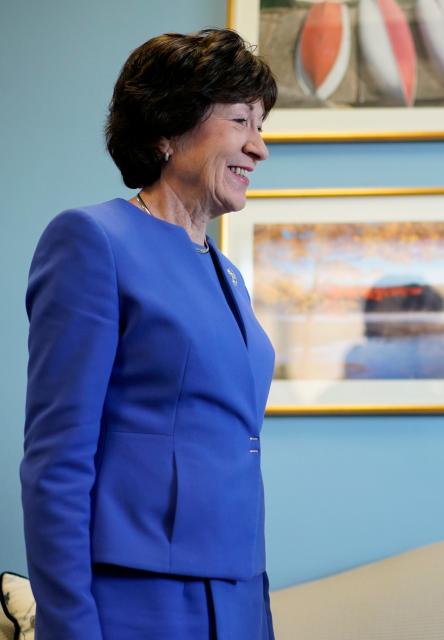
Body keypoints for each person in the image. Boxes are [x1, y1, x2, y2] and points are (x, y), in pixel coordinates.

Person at [22, 29, 278, 639]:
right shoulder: (92, 241)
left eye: (262, 124)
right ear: (167, 127)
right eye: (241, 119)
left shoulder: (227, 272)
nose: (259, 146)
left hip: (237, 594)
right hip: (138, 600)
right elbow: (56, 462)